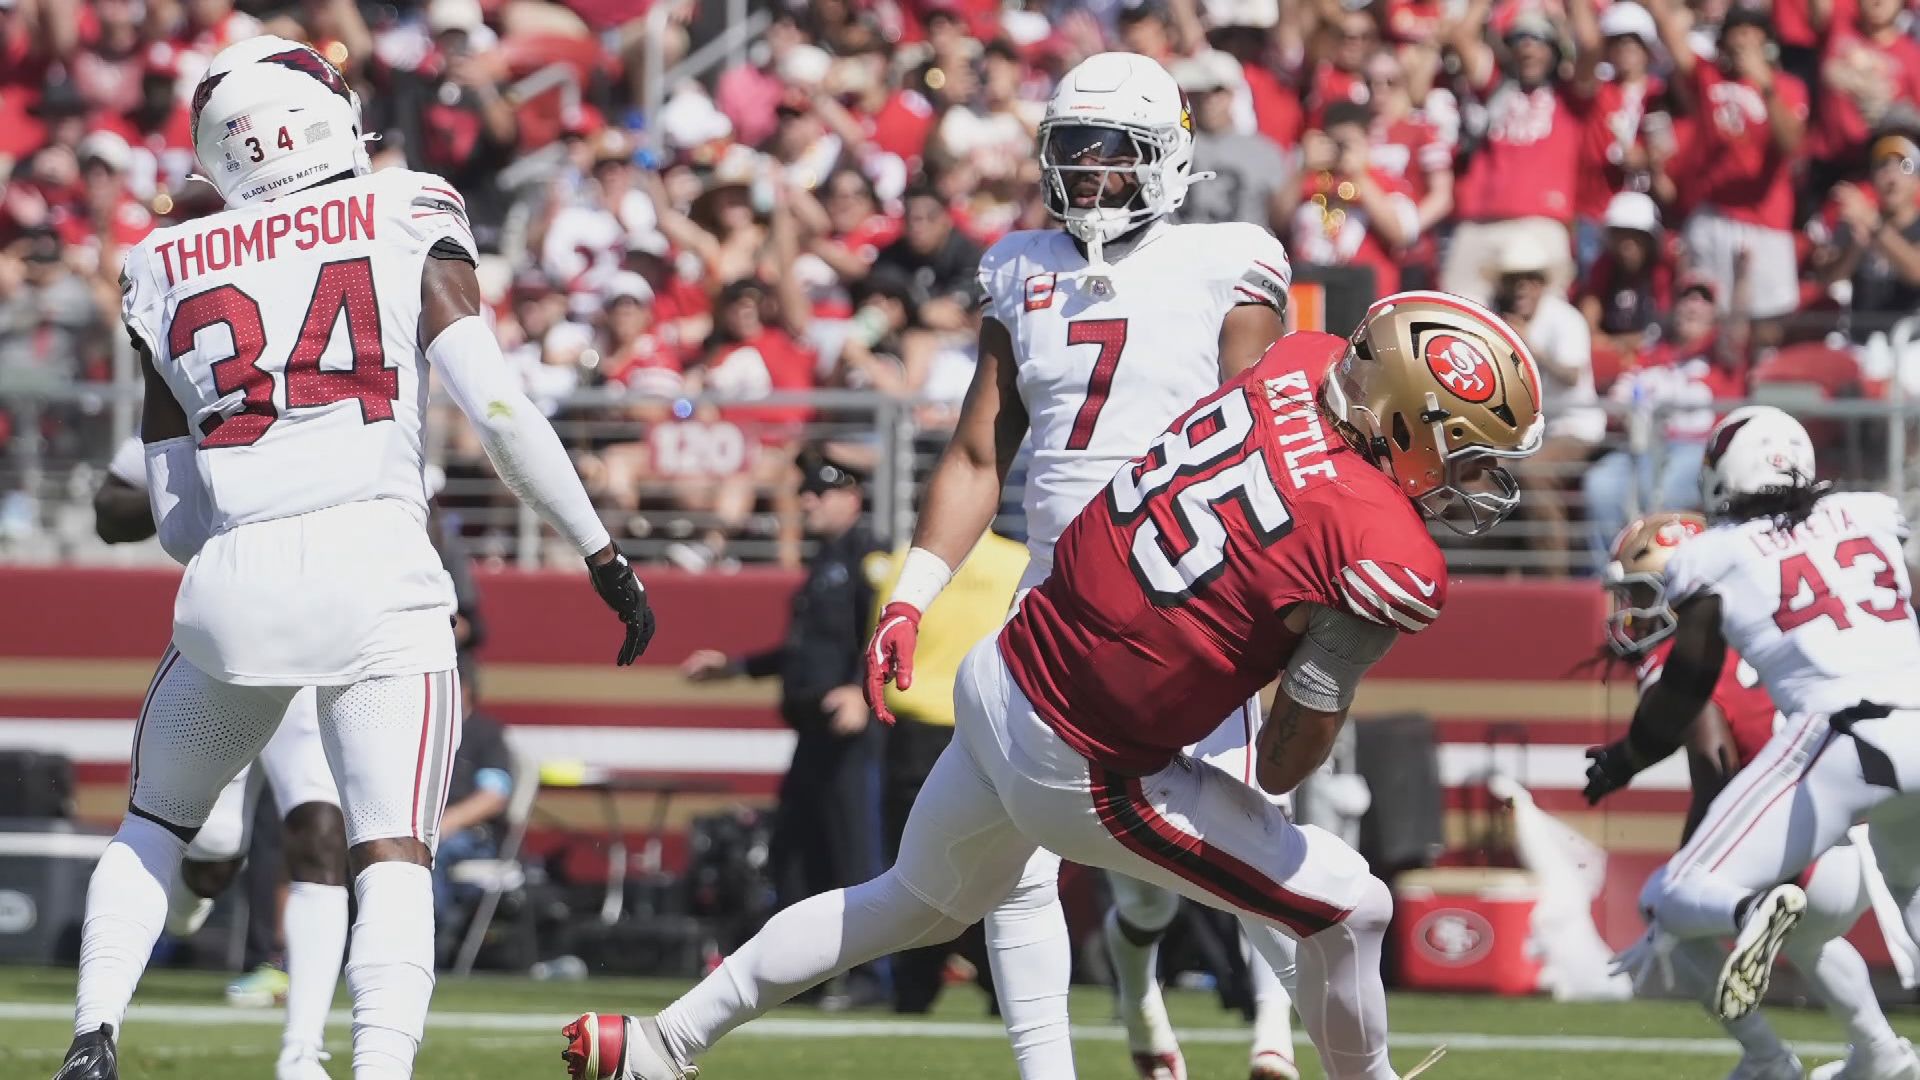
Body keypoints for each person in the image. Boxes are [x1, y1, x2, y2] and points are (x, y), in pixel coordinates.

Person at [560, 291, 1544, 1080]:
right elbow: (1285, 756)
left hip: (1007, 669)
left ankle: (660, 1046)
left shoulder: (1296, 364)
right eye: (1463, 446)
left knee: (911, 903)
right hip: (1090, 761)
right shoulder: (1385, 547)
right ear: (1398, 416)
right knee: (1351, 905)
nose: (1476, 478)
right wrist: (1318, 653)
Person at [53, 36, 656, 1080]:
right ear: (328, 117)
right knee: (392, 852)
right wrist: (599, 552)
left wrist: (252, 540)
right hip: (378, 567)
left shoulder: (161, 260)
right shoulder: (405, 204)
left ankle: (92, 1035)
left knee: (153, 821)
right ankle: (375, 1066)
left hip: (233, 575)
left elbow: (175, 514)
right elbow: (502, 409)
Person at [872, 51, 1295, 1080]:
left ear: (1168, 158)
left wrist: (1283, 605)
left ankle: (1277, 1042)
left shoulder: (1231, 259)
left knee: (1253, 843)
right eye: (1073, 148)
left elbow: (1271, 450)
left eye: (1115, 150)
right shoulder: (1019, 263)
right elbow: (981, 450)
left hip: (1194, 599)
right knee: (1029, 863)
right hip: (1055, 604)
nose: (1091, 169)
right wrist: (912, 592)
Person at [1584, 407, 1920, 1080]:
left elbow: (1686, 692)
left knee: (1671, 895)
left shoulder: (1714, 555)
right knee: (1910, 886)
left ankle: (1755, 936)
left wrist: (1624, 759)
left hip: (1842, 734)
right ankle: (1879, 1058)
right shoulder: (1871, 513)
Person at [91, 439, 348, 1080]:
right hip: (231, 637)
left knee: (320, 833)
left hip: (323, 642)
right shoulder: (212, 384)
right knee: (211, 849)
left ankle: (301, 1052)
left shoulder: (357, 391)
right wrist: (191, 487)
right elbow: (108, 511)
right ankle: (180, 901)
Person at [680, 449, 884, 989]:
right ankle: (800, 974)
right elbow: (805, 651)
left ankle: (870, 977)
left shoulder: (870, 556)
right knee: (796, 854)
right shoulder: (824, 560)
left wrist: (865, 693)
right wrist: (737, 668)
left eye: (820, 493)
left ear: (851, 497)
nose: (809, 502)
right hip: (812, 731)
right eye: (805, 493)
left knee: (855, 854)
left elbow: (892, 630)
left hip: (851, 735)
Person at [866, 529, 1031, 1015]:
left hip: (916, 730)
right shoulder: (1017, 562)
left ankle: (914, 988)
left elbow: (877, 642)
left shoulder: (903, 565)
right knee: (996, 859)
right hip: (989, 725)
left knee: (913, 865)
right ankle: (1001, 983)